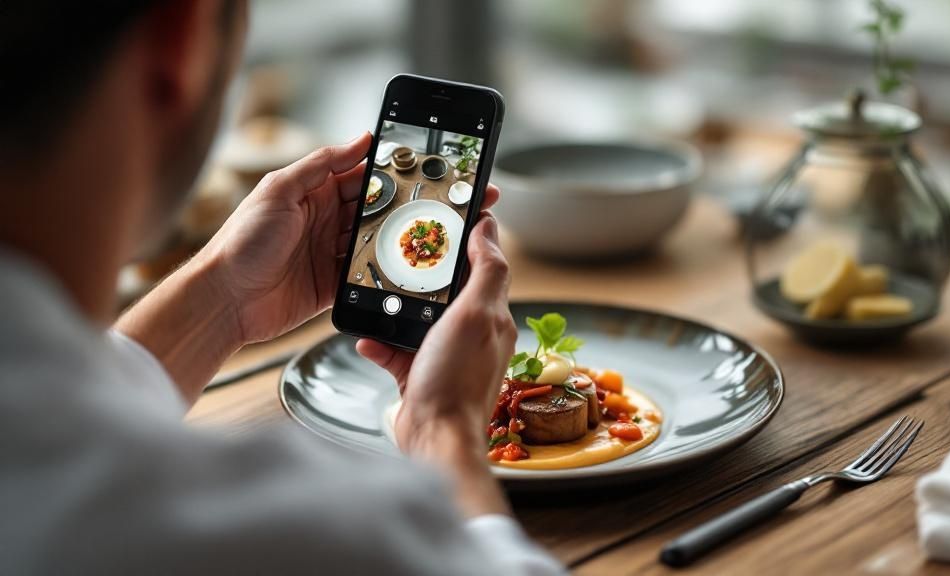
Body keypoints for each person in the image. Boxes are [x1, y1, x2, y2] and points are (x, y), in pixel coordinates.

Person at [0, 2, 564, 574]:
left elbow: (63, 405)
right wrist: (442, 426)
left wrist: (225, 296)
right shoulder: (293, 529)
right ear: (181, 41)